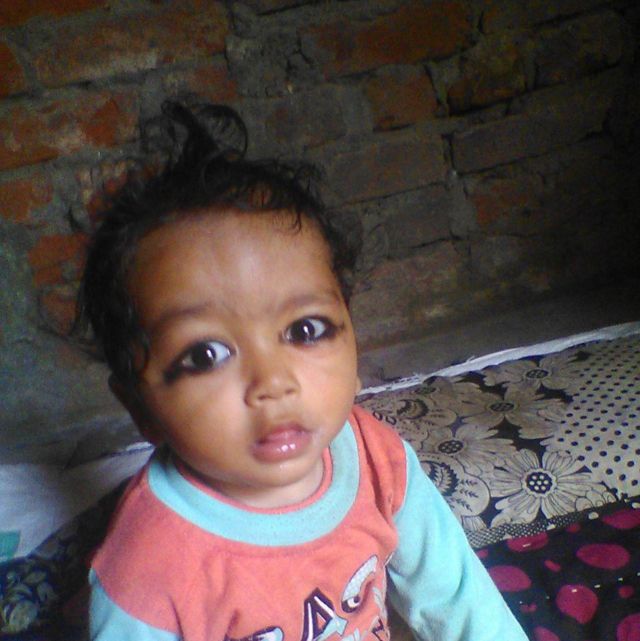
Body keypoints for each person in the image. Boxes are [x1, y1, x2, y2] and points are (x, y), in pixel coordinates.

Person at [78, 101, 528, 641]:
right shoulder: (147, 570)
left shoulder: (377, 461)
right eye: (204, 356)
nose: (273, 382)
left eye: (305, 330)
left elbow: (457, 598)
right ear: (139, 408)